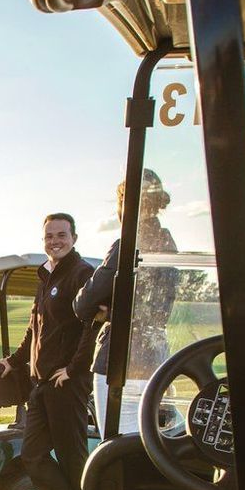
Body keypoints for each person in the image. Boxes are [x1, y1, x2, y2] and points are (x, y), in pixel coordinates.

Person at [0, 212, 94, 490]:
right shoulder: (46, 277)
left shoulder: (83, 274)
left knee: (72, 458)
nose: (55, 240)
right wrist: (14, 361)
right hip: (40, 385)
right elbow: (34, 329)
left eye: (62, 235)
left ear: (74, 238)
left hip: (66, 384)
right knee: (33, 456)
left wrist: (75, 368)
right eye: (50, 236)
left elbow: (92, 326)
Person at [74, 168, 180, 437]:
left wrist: (111, 313)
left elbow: (83, 304)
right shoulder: (168, 243)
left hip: (119, 362)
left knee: (116, 442)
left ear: (125, 204)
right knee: (153, 441)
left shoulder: (126, 245)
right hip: (156, 360)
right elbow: (157, 308)